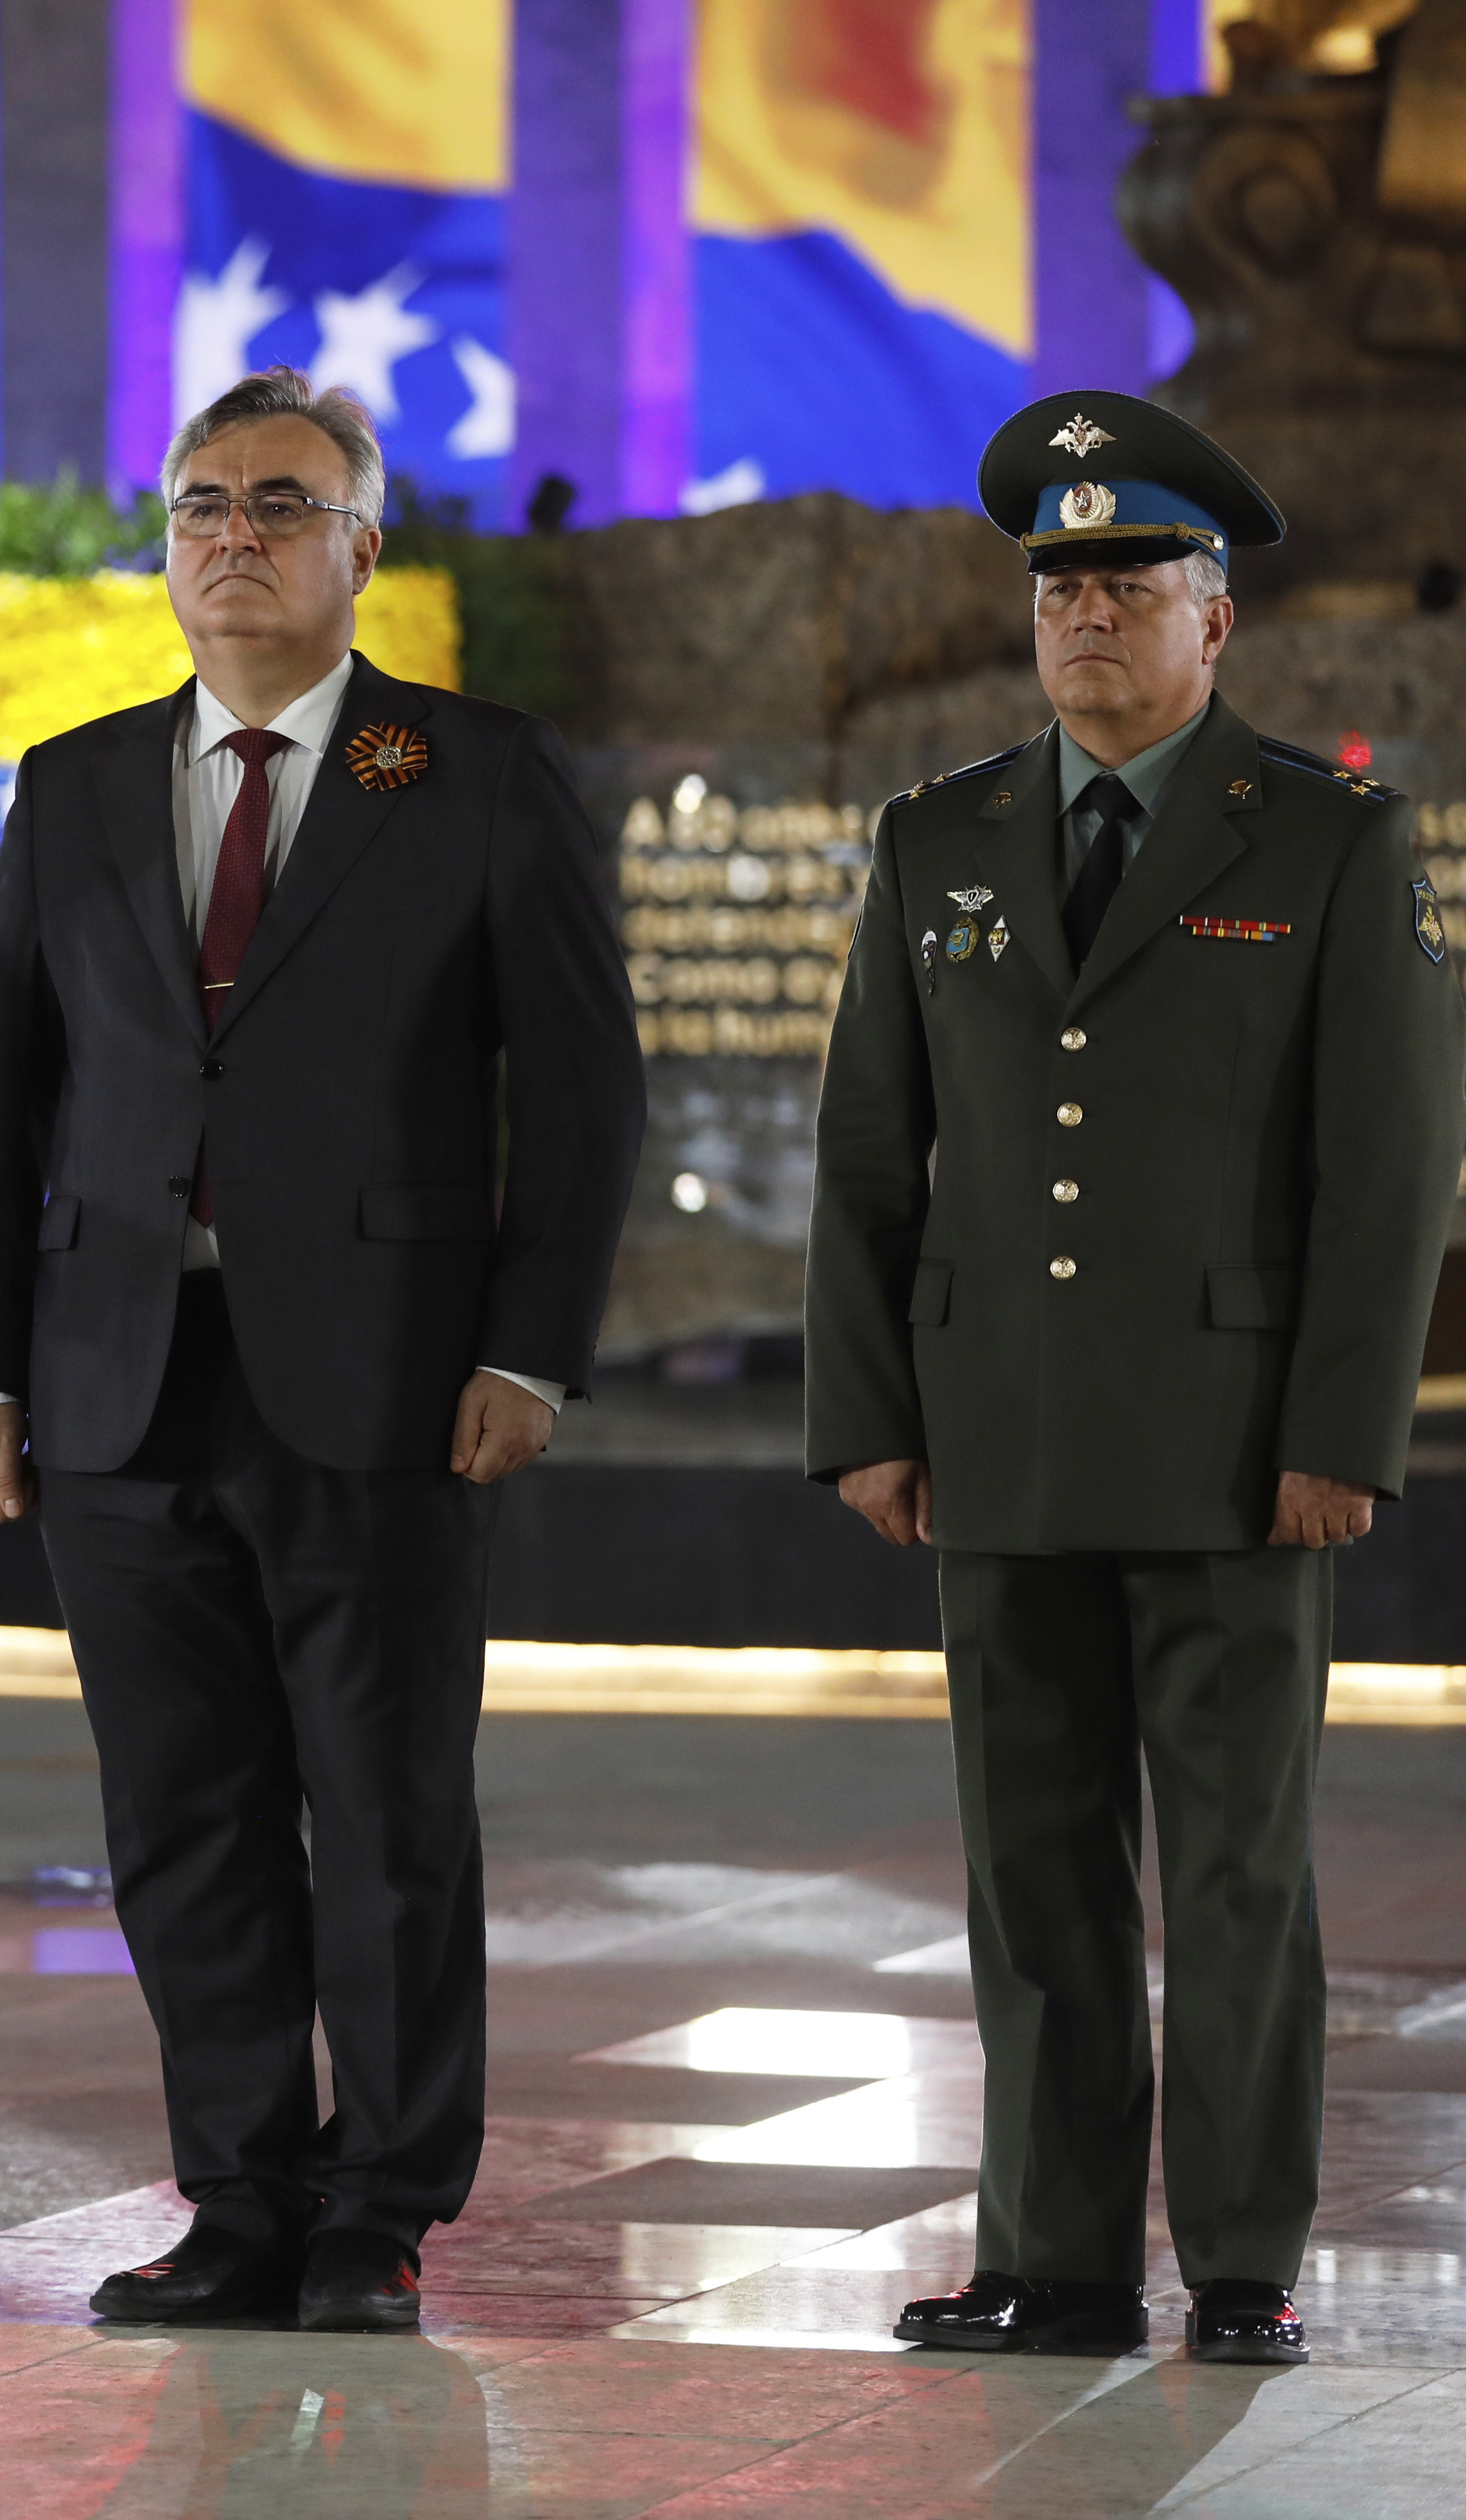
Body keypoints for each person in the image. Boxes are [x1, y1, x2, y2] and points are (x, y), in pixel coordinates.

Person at [0, 368, 644, 2332]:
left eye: (278, 500)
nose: (231, 533)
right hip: (114, 1384)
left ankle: (379, 2213)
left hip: (390, 1377)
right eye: (199, 502)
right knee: (180, 1817)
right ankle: (239, 2193)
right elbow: (7, 1088)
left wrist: (533, 1349)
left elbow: (582, 1099)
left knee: (389, 1812)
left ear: (362, 548)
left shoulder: (474, 771)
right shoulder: (75, 777)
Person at [809, 392, 1466, 2366]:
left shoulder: (1330, 839)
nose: (1089, 613)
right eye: (1061, 582)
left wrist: (1346, 1433)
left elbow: (1390, 1171)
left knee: (1240, 1878)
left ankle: (1248, 2261)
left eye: (1134, 580)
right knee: (1034, 1883)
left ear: (1217, 620)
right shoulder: (939, 841)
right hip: (996, 1436)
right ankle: (1057, 2260)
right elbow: (870, 1149)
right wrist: (872, 1415)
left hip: (1234, 1448)